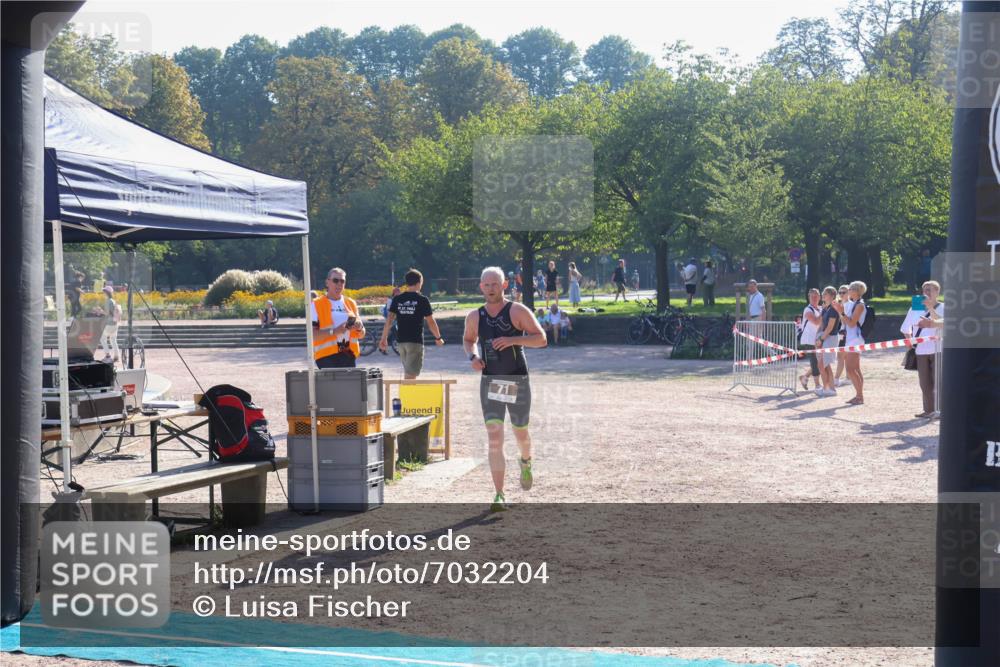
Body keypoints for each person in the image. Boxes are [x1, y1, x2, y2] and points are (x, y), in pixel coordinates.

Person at [463, 266, 547, 512]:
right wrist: (473, 357)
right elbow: (469, 341)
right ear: (481, 287)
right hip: (491, 381)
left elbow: (541, 338)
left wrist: (513, 339)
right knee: (495, 438)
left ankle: (526, 460)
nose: (490, 289)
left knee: (520, 432)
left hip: (517, 380)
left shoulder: (517, 311)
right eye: (486, 285)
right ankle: (499, 494)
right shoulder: (475, 316)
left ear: (504, 286)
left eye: (495, 284)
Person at [380, 269, 444, 378]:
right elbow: (431, 322)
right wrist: (438, 338)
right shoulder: (422, 300)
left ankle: (407, 394)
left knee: (408, 373)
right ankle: (406, 395)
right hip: (415, 342)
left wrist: (383, 338)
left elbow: (389, 320)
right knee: (410, 376)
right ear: (419, 283)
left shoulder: (397, 299)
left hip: (401, 343)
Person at [903, 280, 944, 419]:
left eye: (930, 290)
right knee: (924, 382)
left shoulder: (943, 307)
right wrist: (910, 343)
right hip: (920, 350)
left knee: (938, 381)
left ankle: (940, 411)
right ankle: (928, 410)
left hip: (938, 349)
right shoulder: (915, 308)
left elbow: (942, 323)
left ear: (937, 292)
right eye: (924, 290)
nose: (926, 292)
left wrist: (930, 308)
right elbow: (905, 328)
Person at [310, 267, 365, 368]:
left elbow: (362, 334)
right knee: (333, 384)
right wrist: (335, 331)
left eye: (342, 281)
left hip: (349, 355)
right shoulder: (316, 304)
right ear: (327, 283)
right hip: (326, 356)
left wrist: (359, 327)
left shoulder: (351, 303)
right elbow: (312, 335)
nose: (339, 284)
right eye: (335, 280)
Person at [833, 280, 867, 405]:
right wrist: (840, 311)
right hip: (852, 339)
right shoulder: (855, 304)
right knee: (855, 369)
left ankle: (859, 396)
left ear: (857, 291)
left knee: (851, 369)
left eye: (851, 289)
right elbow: (846, 321)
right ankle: (859, 395)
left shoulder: (859, 305)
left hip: (855, 339)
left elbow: (852, 323)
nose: (849, 291)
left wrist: (841, 312)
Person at [815, 286, 841, 396]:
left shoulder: (834, 309)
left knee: (822, 365)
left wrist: (821, 339)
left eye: (825, 294)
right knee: (825, 365)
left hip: (830, 338)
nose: (822, 295)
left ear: (831, 295)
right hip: (824, 337)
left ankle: (827, 388)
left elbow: (830, 327)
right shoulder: (826, 308)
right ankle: (831, 389)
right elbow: (821, 324)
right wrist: (817, 337)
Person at [798, 288, 823, 391]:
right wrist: (825, 311)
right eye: (812, 296)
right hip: (809, 339)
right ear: (809, 297)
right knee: (815, 362)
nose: (814, 298)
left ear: (819, 297)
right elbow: (817, 322)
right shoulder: (808, 309)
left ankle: (804, 377)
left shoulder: (820, 309)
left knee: (820, 362)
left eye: (816, 296)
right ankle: (817, 385)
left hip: (818, 339)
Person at [99, 286, 122, 364]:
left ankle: (108, 356)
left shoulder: (108, 301)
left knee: (102, 339)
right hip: (115, 323)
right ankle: (116, 356)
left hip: (109, 323)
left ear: (106, 292)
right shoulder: (113, 301)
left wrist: (100, 311)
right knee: (113, 340)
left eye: (104, 291)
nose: (103, 293)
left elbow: (107, 313)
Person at [834, 284, 850, 386]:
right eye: (839, 292)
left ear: (848, 293)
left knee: (841, 356)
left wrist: (840, 311)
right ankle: (848, 378)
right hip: (843, 331)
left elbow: (846, 320)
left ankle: (836, 379)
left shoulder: (848, 305)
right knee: (845, 356)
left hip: (846, 332)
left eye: (843, 292)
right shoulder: (841, 304)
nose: (841, 294)